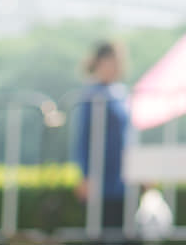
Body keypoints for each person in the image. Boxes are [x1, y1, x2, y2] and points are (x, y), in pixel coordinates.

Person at [67, 40, 132, 230]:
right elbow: (82, 138)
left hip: (123, 179)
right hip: (101, 180)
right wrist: (85, 175)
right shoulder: (91, 95)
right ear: (99, 63)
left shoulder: (120, 93)